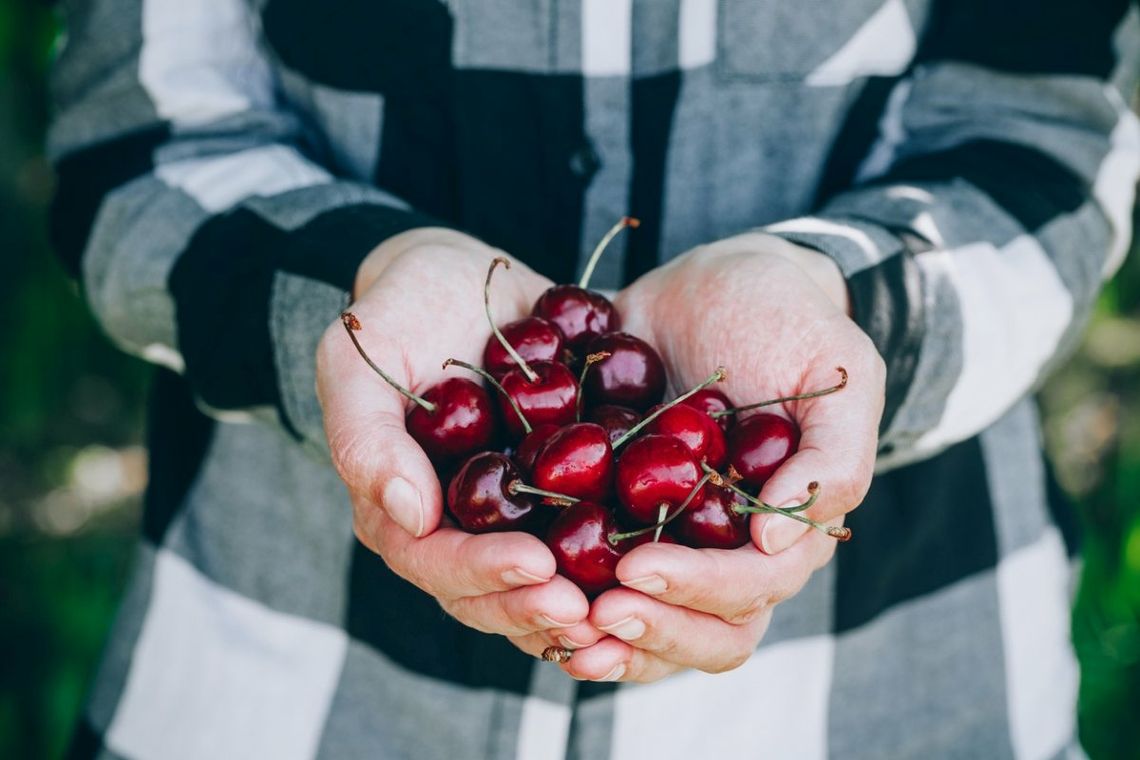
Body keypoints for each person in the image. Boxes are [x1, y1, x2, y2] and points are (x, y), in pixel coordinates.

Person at [49, 0, 1139, 757]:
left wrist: (851, 305)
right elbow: (131, 151)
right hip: (280, 700)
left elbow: (1046, 142)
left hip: (897, 697)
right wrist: (350, 289)